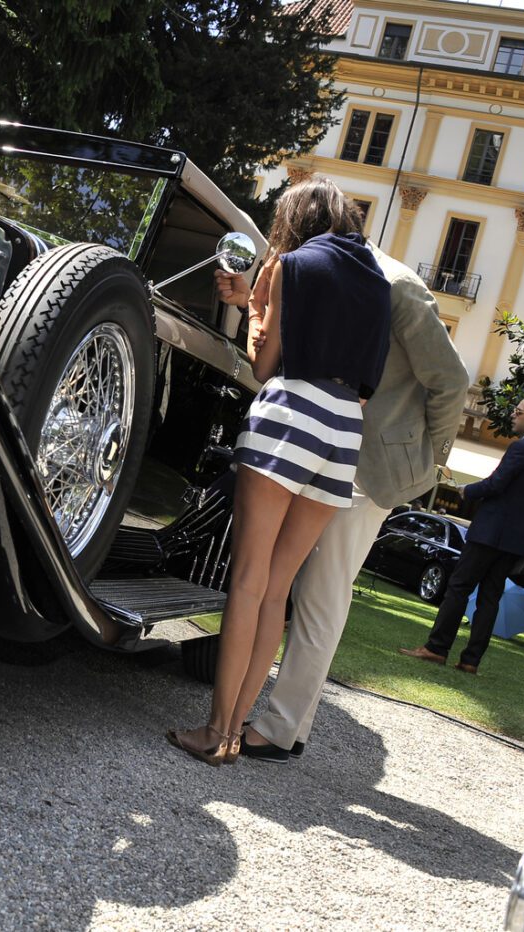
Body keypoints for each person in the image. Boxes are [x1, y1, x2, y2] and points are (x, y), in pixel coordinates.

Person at [214, 239, 469, 763]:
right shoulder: (340, 270)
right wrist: (251, 303)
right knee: (298, 586)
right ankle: (286, 722)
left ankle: (282, 726)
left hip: (370, 464)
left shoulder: (395, 283)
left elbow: (452, 380)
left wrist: (428, 460)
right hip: (332, 445)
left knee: (320, 591)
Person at [167, 177, 393, 766]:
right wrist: (258, 302)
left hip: (292, 412)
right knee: (277, 589)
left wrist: (252, 309)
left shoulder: (287, 263)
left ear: (293, 219)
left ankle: (215, 732)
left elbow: (264, 364)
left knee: (246, 578)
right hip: (345, 429)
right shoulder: (374, 281)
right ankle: (237, 730)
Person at [400, 396, 524, 673]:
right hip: (516, 544)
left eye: (518, 412)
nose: (512, 415)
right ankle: (471, 660)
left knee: (459, 587)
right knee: (490, 598)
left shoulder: (520, 448)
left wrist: (466, 491)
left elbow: (496, 484)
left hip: (489, 533)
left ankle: (436, 648)